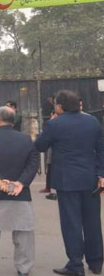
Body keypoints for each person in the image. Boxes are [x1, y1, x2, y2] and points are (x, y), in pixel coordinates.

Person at [35, 90, 104, 276]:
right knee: (92, 222)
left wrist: (48, 125)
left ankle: (75, 264)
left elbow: (39, 146)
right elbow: (101, 149)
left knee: (71, 223)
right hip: (90, 179)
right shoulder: (92, 121)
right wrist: (101, 173)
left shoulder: (55, 124)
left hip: (67, 181)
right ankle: (96, 262)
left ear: (59, 106)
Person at [0, 106, 39, 276]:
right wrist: (20, 183)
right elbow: (33, 164)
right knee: (23, 231)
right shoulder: (26, 139)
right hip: (20, 193)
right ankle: (24, 268)